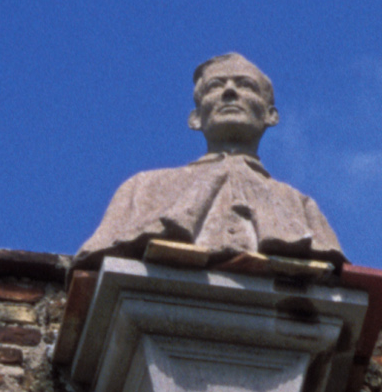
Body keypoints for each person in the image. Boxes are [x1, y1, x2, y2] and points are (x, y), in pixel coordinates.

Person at [77, 56, 345, 267]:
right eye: (215, 86)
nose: (229, 92)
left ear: (271, 115)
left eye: (245, 85)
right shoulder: (143, 188)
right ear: (195, 118)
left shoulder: (300, 206)